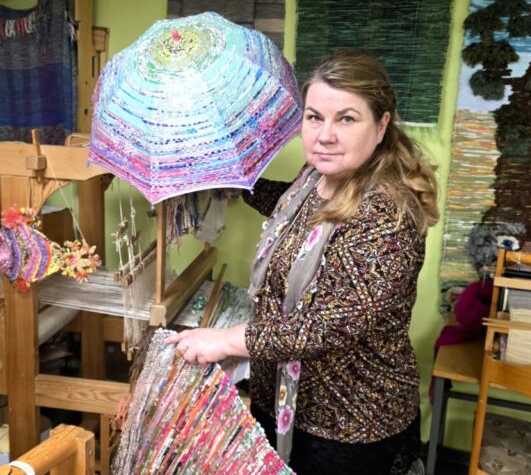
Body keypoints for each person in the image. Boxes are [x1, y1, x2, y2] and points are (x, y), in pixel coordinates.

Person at [165, 50, 438, 474]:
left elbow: (331, 323)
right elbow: (291, 211)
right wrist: (234, 182)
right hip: (283, 399)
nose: (325, 135)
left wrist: (226, 340)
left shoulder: (387, 213)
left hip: (348, 425)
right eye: (314, 117)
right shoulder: (315, 179)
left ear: (381, 125)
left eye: (346, 119)